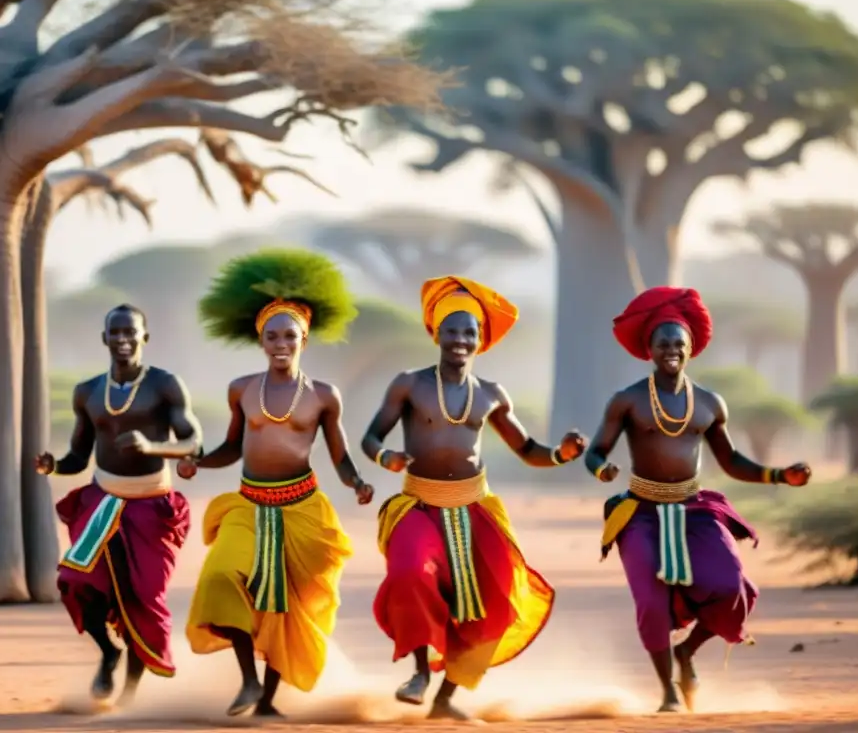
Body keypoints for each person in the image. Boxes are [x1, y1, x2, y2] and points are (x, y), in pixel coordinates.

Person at [361, 275, 587, 721]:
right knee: (409, 573)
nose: (461, 340)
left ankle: (445, 699)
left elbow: (528, 451)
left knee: (499, 602)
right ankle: (420, 672)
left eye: (470, 333)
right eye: (452, 330)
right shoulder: (409, 384)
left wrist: (561, 454)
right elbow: (370, 437)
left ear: (481, 340)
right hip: (419, 506)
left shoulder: (491, 394)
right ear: (435, 333)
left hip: (475, 508)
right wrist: (386, 456)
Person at [585, 286, 812, 713]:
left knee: (733, 590)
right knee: (650, 603)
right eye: (663, 343)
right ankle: (668, 691)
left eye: (678, 343)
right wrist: (602, 469)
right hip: (641, 513)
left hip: (695, 510)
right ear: (648, 348)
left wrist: (779, 475)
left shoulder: (709, 403)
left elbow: (730, 461)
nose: (671, 350)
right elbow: (596, 451)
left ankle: (686, 653)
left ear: (691, 348)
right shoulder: (627, 401)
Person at [176, 248, 373, 718]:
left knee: (286, 606)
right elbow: (231, 447)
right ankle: (246, 680)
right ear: (260, 341)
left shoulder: (324, 395)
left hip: (301, 509)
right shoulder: (242, 388)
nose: (280, 343)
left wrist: (357, 481)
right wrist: (196, 463)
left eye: (290, 335)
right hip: (248, 504)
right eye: (272, 336)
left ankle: (266, 700)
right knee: (223, 576)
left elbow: (339, 454)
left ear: (304, 338)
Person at [35, 304, 201, 706]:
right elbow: (79, 455)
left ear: (145, 337)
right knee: (76, 581)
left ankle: (128, 695)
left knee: (141, 599)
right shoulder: (88, 392)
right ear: (104, 338)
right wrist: (54, 465)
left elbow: (192, 441)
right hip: (103, 502)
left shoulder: (165, 385)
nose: (123, 339)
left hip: (151, 506)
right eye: (116, 332)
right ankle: (109, 652)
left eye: (131, 332)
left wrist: (153, 447)